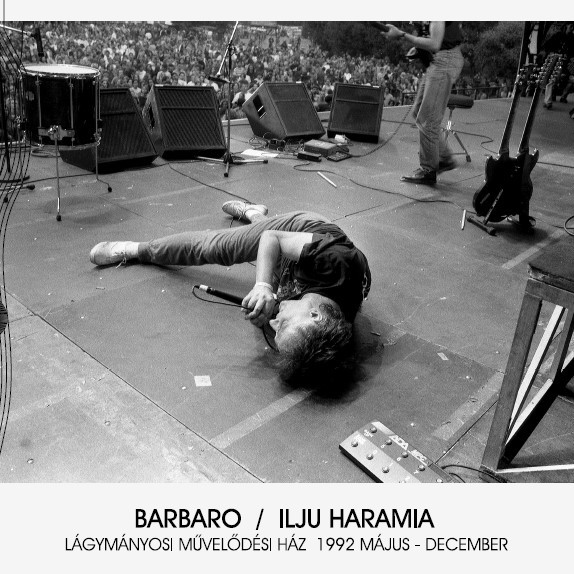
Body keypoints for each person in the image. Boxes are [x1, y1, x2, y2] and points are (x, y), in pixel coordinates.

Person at [89, 201, 371, 382]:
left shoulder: (326, 329)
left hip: (297, 276)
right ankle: (137, 250)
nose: (274, 323)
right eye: (282, 324)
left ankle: (255, 214)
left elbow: (307, 347)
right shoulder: (336, 260)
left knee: (268, 284)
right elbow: (271, 239)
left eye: (276, 328)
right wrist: (262, 286)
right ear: (316, 315)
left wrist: (270, 312)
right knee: (220, 247)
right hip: (299, 231)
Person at [382, 22, 464, 185]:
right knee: (419, 110)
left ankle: (428, 170)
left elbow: (435, 43)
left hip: (445, 61)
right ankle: (444, 158)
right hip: (439, 60)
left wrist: (402, 35)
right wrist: (419, 48)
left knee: (428, 119)